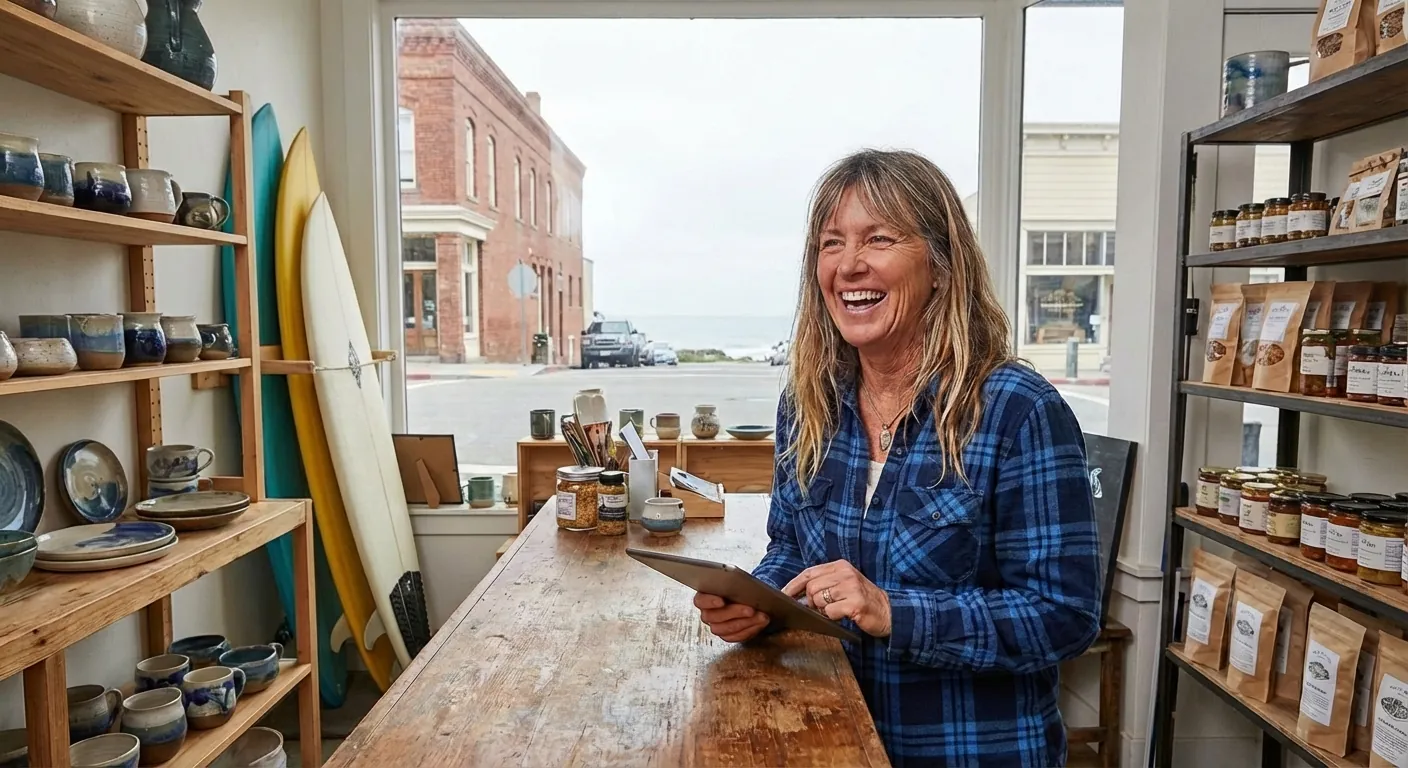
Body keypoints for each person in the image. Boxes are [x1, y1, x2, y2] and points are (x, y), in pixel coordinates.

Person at [694, 149, 1102, 767]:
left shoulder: (1017, 411)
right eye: (832, 244)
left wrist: (892, 610)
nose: (850, 265)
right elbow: (790, 550)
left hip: (969, 753)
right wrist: (761, 603)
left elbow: (1064, 617)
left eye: (878, 239)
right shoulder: (807, 406)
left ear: (940, 265)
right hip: (828, 740)